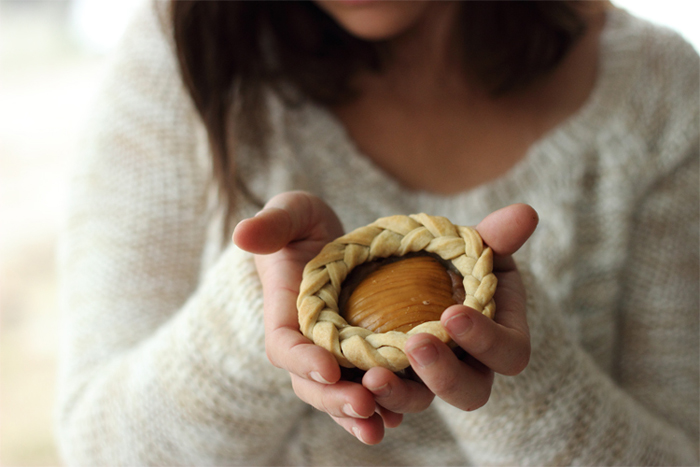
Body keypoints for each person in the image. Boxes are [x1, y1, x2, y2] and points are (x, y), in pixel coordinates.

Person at [56, 0, 699, 465]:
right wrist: (263, 307)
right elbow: (99, 448)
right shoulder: (185, 55)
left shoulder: (658, 91)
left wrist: (517, 375)